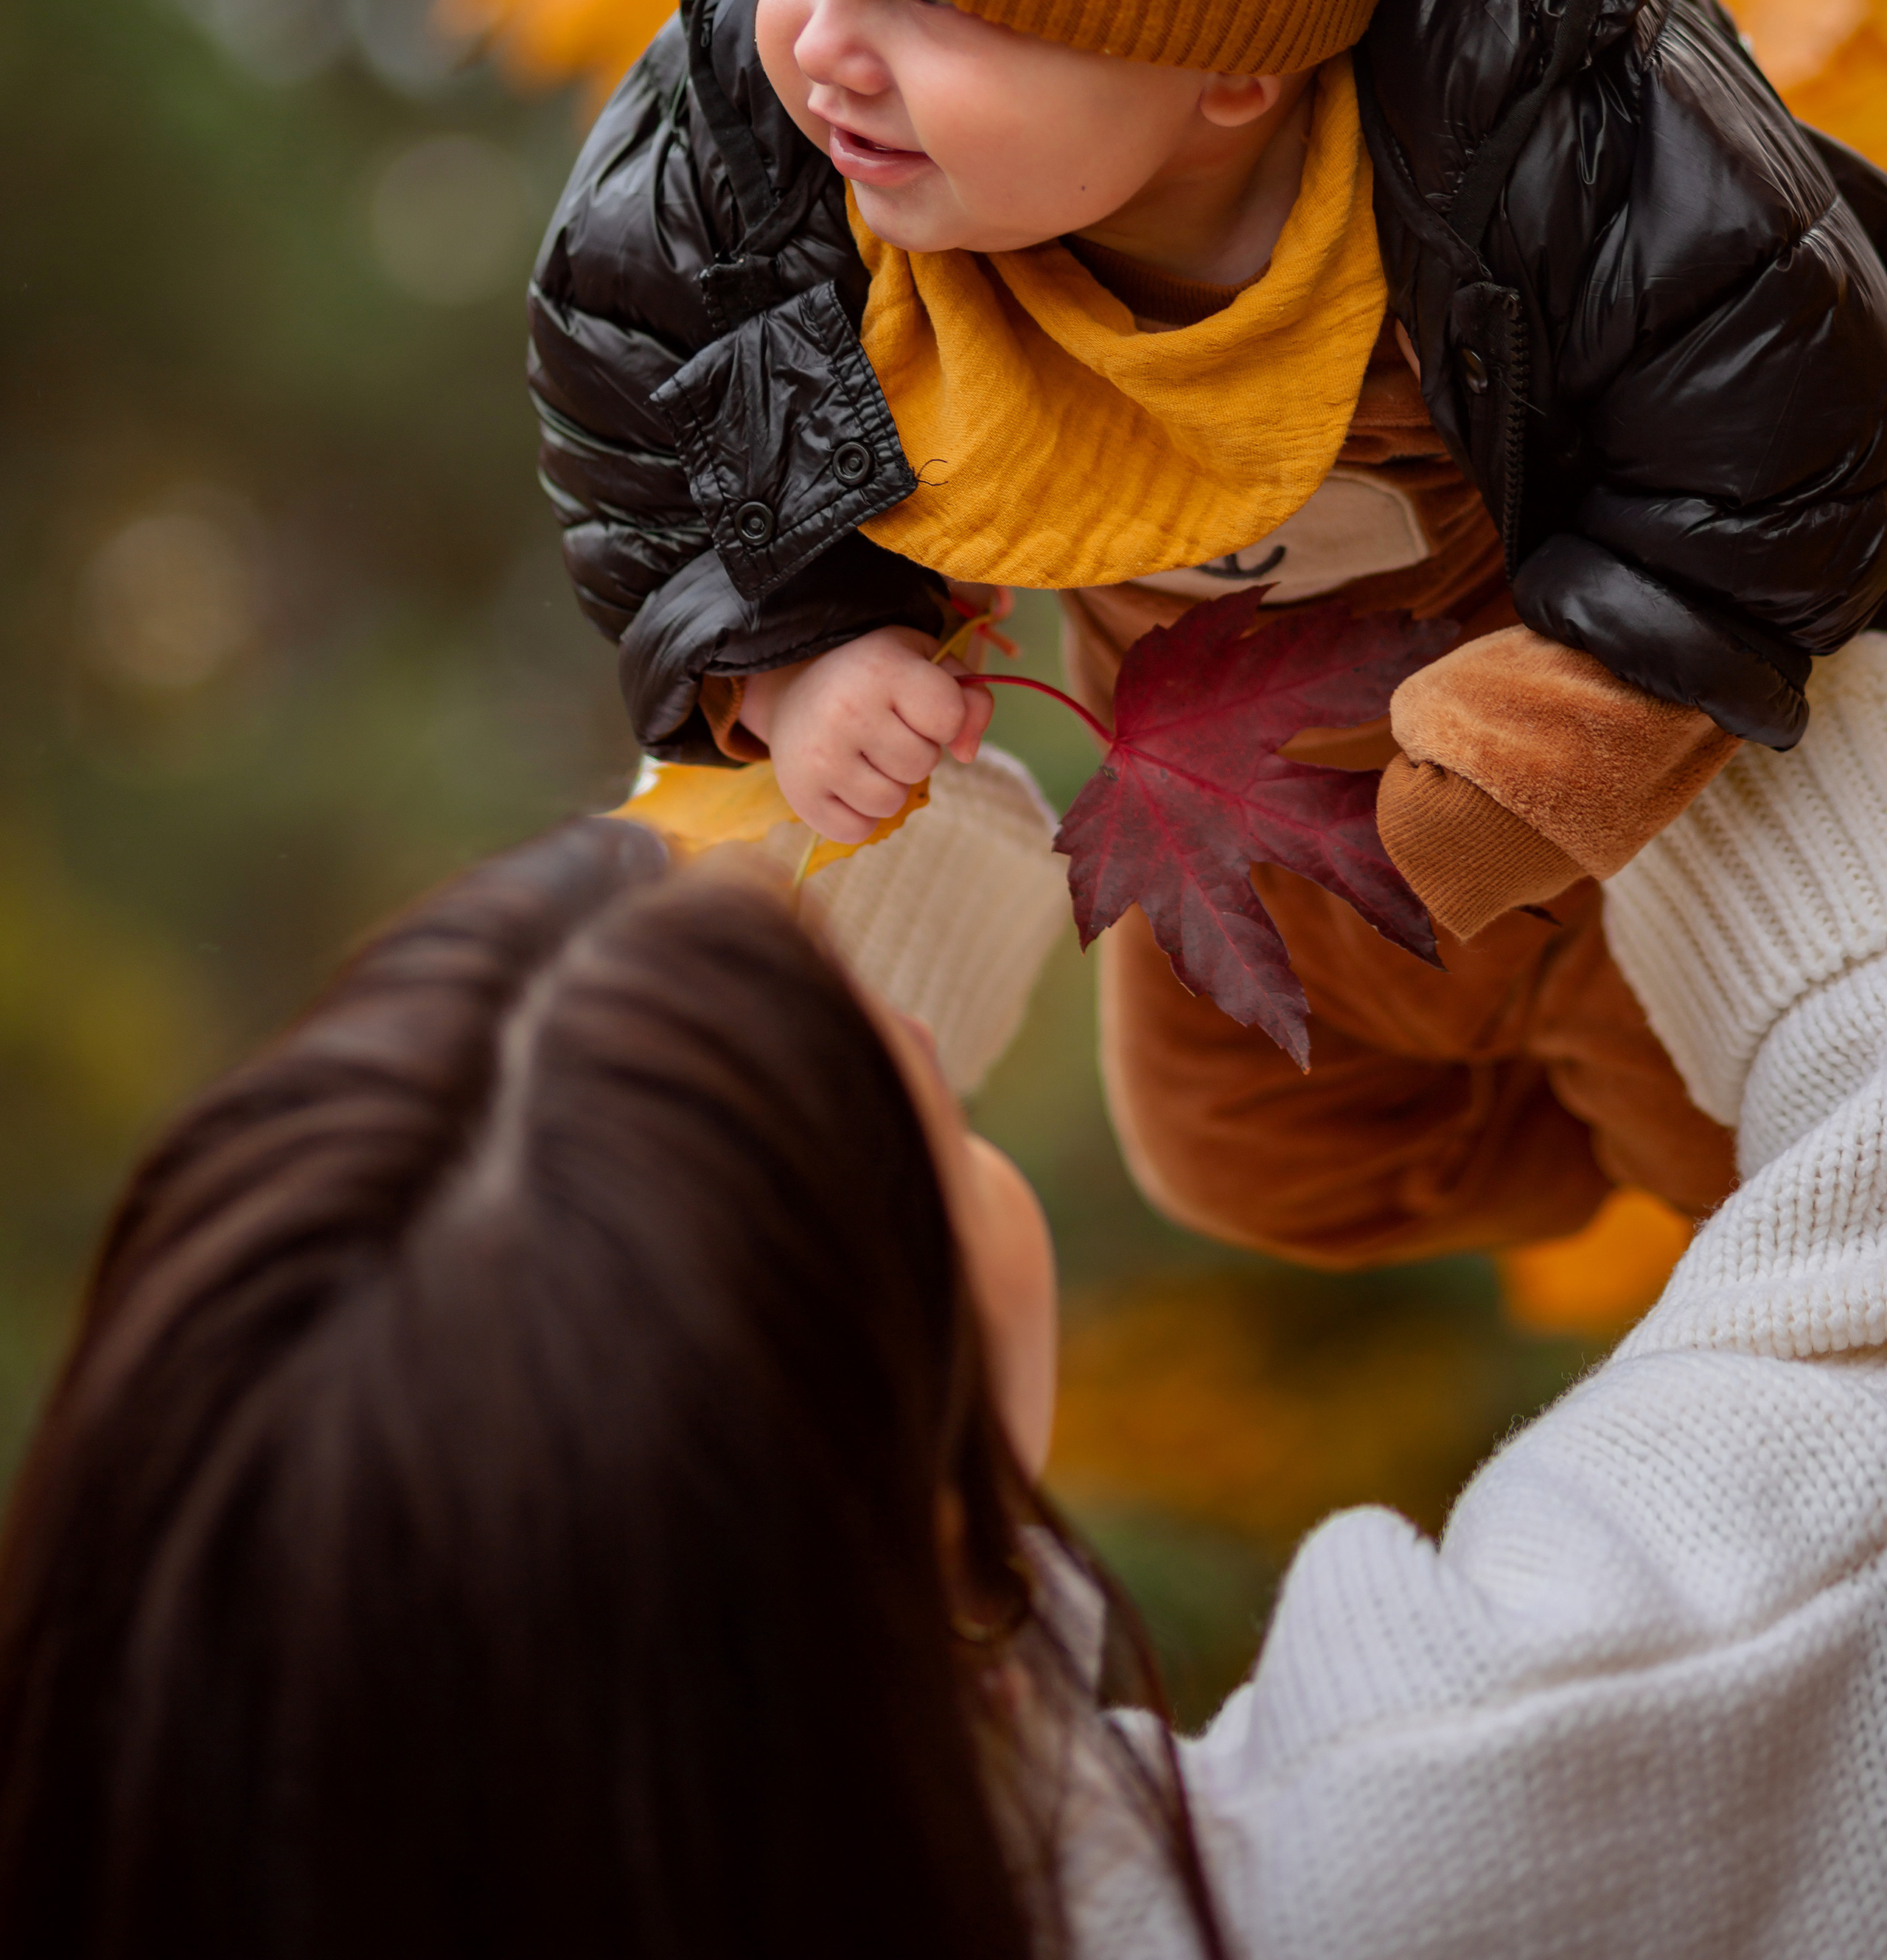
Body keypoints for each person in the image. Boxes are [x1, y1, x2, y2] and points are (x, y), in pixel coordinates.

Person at [526, 0, 1887, 1268]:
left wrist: (1583, 727)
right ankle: (1534, 1143)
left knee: (1758, 1187)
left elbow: (1797, 415)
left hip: (1596, 777)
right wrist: (784, 658)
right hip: (1249, 797)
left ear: (1232, 63)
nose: (827, 40)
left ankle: (1668, 1179)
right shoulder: (761, 127)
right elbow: (636, 388)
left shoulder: (1554, 125)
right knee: (1254, 1170)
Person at [4, 649, 1887, 1954]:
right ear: (891, 1498)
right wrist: (1712, 641)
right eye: (925, 1127)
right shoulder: (1403, 1845)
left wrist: (825, 820)